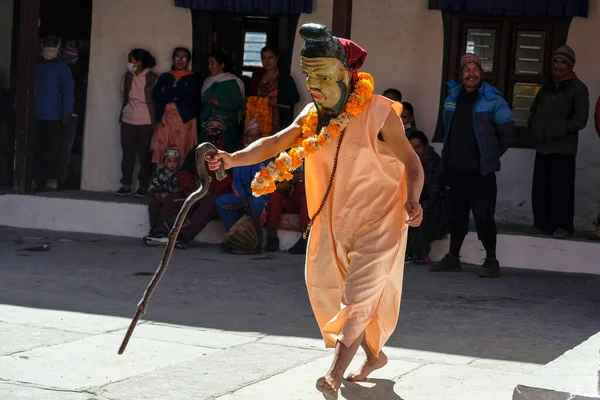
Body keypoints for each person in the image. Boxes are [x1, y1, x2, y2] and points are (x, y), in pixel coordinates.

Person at [206, 23, 424, 400]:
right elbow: (275, 142)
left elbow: (413, 164)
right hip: (333, 222)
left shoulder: (379, 112)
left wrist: (414, 198)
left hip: (381, 221)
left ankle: (333, 375)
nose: (314, 84)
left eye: (323, 75)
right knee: (330, 294)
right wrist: (232, 158)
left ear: (346, 74)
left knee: (356, 298)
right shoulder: (313, 115)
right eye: (309, 75)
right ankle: (374, 356)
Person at [431, 52, 515, 278]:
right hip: (455, 171)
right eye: (466, 70)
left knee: (483, 216)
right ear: (461, 75)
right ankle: (453, 258)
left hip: (481, 174)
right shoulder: (452, 98)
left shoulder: (493, 99)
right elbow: (448, 130)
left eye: (475, 69)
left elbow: (508, 134)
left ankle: (491, 260)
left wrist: (490, 154)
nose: (471, 74)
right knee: (455, 216)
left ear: (482, 72)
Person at [528, 45, 589, 239]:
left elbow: (581, 119)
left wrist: (558, 130)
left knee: (561, 189)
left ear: (570, 65)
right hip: (544, 146)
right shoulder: (547, 87)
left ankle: (562, 226)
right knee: (540, 187)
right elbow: (534, 110)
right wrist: (535, 126)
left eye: (563, 62)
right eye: (556, 61)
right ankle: (541, 224)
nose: (559, 66)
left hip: (564, 148)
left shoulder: (578, 88)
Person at [143, 145, 232, 249]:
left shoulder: (222, 159)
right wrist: (189, 189)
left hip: (211, 196)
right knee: (172, 199)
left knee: (206, 205)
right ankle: (161, 232)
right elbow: (185, 174)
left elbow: (225, 182)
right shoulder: (196, 154)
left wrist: (207, 191)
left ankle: (182, 237)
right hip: (194, 193)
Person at [115, 48, 159, 197]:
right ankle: (126, 184)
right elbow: (123, 95)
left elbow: (157, 101)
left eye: (130, 60)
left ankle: (143, 186)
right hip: (128, 121)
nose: (128, 63)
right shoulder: (127, 78)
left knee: (145, 156)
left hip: (146, 122)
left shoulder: (153, 78)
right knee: (128, 155)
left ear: (139, 62)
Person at [34, 35, 75, 192]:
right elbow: (23, 86)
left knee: (53, 149)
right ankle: (35, 178)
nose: (49, 48)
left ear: (58, 49)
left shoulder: (62, 68)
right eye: (46, 44)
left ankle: (52, 179)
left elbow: (68, 91)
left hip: (54, 116)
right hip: (34, 115)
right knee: (35, 148)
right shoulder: (35, 66)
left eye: (52, 45)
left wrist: (67, 112)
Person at [215, 119, 271, 232]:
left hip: (260, 195)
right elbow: (236, 182)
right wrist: (243, 198)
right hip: (242, 196)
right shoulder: (239, 156)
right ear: (245, 138)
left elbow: (270, 181)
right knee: (221, 201)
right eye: (250, 135)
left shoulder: (268, 155)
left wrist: (253, 197)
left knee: (258, 202)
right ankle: (234, 234)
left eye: (256, 135)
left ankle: (254, 234)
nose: (253, 138)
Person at [152, 47, 199, 171]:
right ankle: (163, 180)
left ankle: (180, 183)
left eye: (184, 58)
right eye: (177, 57)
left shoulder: (193, 78)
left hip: (185, 120)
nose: (180, 60)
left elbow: (190, 96)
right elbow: (157, 95)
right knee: (164, 147)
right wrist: (176, 94)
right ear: (173, 59)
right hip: (165, 118)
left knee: (182, 149)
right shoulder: (165, 77)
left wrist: (169, 93)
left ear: (188, 61)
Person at [406, 130, 444, 264]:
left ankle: (420, 254)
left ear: (425, 146)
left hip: (433, 205)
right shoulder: (407, 163)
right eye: (411, 148)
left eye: (418, 147)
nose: (415, 151)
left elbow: (434, 191)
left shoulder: (433, 162)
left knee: (416, 217)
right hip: (417, 202)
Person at [200, 51, 245, 152]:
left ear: (222, 65)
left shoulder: (232, 82)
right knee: (206, 154)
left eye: (213, 63)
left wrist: (219, 104)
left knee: (224, 153)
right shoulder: (208, 81)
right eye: (209, 63)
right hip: (208, 125)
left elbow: (237, 104)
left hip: (227, 127)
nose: (209, 66)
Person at [249, 46, 301, 132]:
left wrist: (277, 99)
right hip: (257, 118)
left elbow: (295, 97)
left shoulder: (285, 78)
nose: (267, 61)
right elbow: (250, 94)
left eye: (270, 57)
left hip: (278, 121)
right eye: (264, 58)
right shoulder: (257, 76)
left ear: (277, 58)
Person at [265, 168, 309, 254]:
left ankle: (305, 238)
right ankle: (272, 236)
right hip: (290, 199)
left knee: (305, 197)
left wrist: (308, 177)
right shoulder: (284, 157)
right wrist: (288, 179)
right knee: (274, 195)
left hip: (305, 202)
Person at [147, 147, 181, 235]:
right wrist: (158, 194)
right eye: (169, 161)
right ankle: (154, 228)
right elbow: (152, 187)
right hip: (160, 197)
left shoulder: (180, 175)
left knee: (168, 208)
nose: (172, 164)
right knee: (154, 205)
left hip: (172, 200)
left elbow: (179, 190)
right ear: (165, 162)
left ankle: (164, 230)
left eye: (175, 161)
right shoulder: (159, 174)